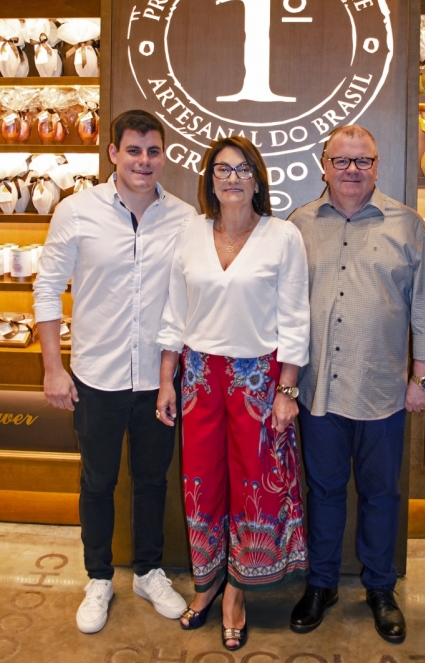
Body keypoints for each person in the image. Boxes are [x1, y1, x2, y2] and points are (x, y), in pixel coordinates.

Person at [33, 110, 196, 634]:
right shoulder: (76, 211)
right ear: (113, 154)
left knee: (152, 480)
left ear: (163, 155)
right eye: (133, 150)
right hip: (95, 377)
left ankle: (148, 572)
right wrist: (53, 369)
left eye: (153, 151)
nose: (143, 161)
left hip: (158, 379)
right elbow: (47, 288)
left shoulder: (185, 217)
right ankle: (98, 577)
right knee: (98, 481)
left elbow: (188, 297)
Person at [288, 124, 425, 644]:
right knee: (324, 492)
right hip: (317, 390)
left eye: (363, 160)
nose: (352, 170)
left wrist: (423, 377)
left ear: (377, 166)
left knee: (381, 494)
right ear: (324, 165)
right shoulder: (299, 225)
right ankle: (322, 584)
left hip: (383, 390)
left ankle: (380, 588)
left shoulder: (408, 225)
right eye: (342, 160)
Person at [156, 136, 310, 650]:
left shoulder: (282, 236)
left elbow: (295, 319)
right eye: (222, 169)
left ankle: (236, 593)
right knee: (202, 483)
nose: (233, 178)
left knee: (253, 485)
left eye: (243, 169)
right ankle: (207, 583)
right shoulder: (190, 234)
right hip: (199, 375)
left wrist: (287, 390)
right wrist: (167, 379)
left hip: (259, 377)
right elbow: (174, 312)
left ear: (258, 179)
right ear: (210, 180)